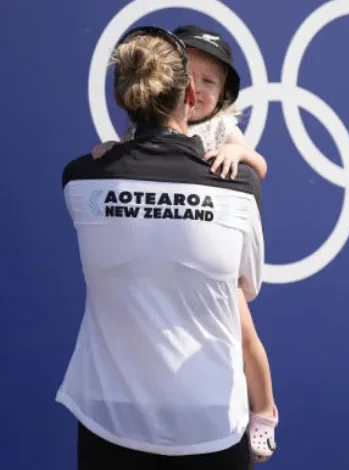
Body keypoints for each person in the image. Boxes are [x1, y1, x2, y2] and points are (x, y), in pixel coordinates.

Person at [57, 26, 271, 469]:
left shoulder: (82, 178)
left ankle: (265, 409)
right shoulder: (239, 188)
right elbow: (245, 285)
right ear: (190, 94)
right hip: (212, 425)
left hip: (108, 419)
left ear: (124, 97)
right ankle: (265, 410)